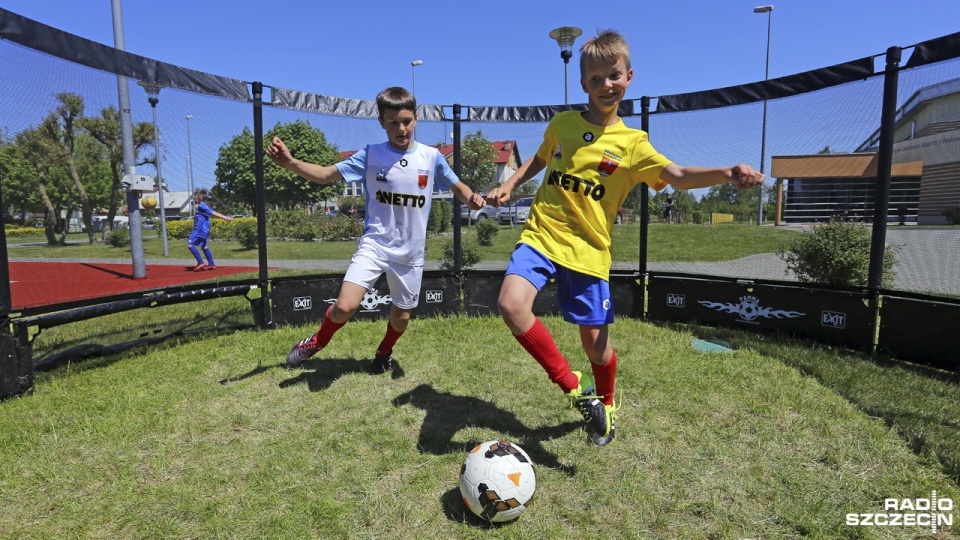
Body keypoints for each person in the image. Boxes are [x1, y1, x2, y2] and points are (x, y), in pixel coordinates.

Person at [485, 30, 764, 446]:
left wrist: (727, 172)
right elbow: (541, 159)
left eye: (613, 75)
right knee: (510, 303)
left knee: (597, 348)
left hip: (589, 252)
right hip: (542, 234)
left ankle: (607, 402)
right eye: (595, 79)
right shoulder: (561, 125)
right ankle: (572, 385)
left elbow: (678, 176)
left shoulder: (634, 145)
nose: (605, 85)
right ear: (583, 85)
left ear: (629, 76)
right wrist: (511, 184)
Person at [266, 86, 486, 373]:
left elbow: (459, 187)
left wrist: (472, 199)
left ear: (416, 119)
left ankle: (384, 352)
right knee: (344, 307)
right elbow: (324, 175)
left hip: (410, 253)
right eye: (393, 122)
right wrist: (290, 163)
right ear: (381, 122)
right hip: (375, 245)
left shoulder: (432, 158)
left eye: (406, 121)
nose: (401, 128)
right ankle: (316, 343)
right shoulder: (370, 155)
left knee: (402, 318)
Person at [187, 188, 233, 271]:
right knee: (204, 247)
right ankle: (211, 264)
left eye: (195, 197)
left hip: (199, 231)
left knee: (190, 245)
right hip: (204, 230)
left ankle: (201, 262)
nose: (194, 199)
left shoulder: (202, 206)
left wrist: (226, 218)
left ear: (199, 198)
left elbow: (214, 213)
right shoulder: (201, 205)